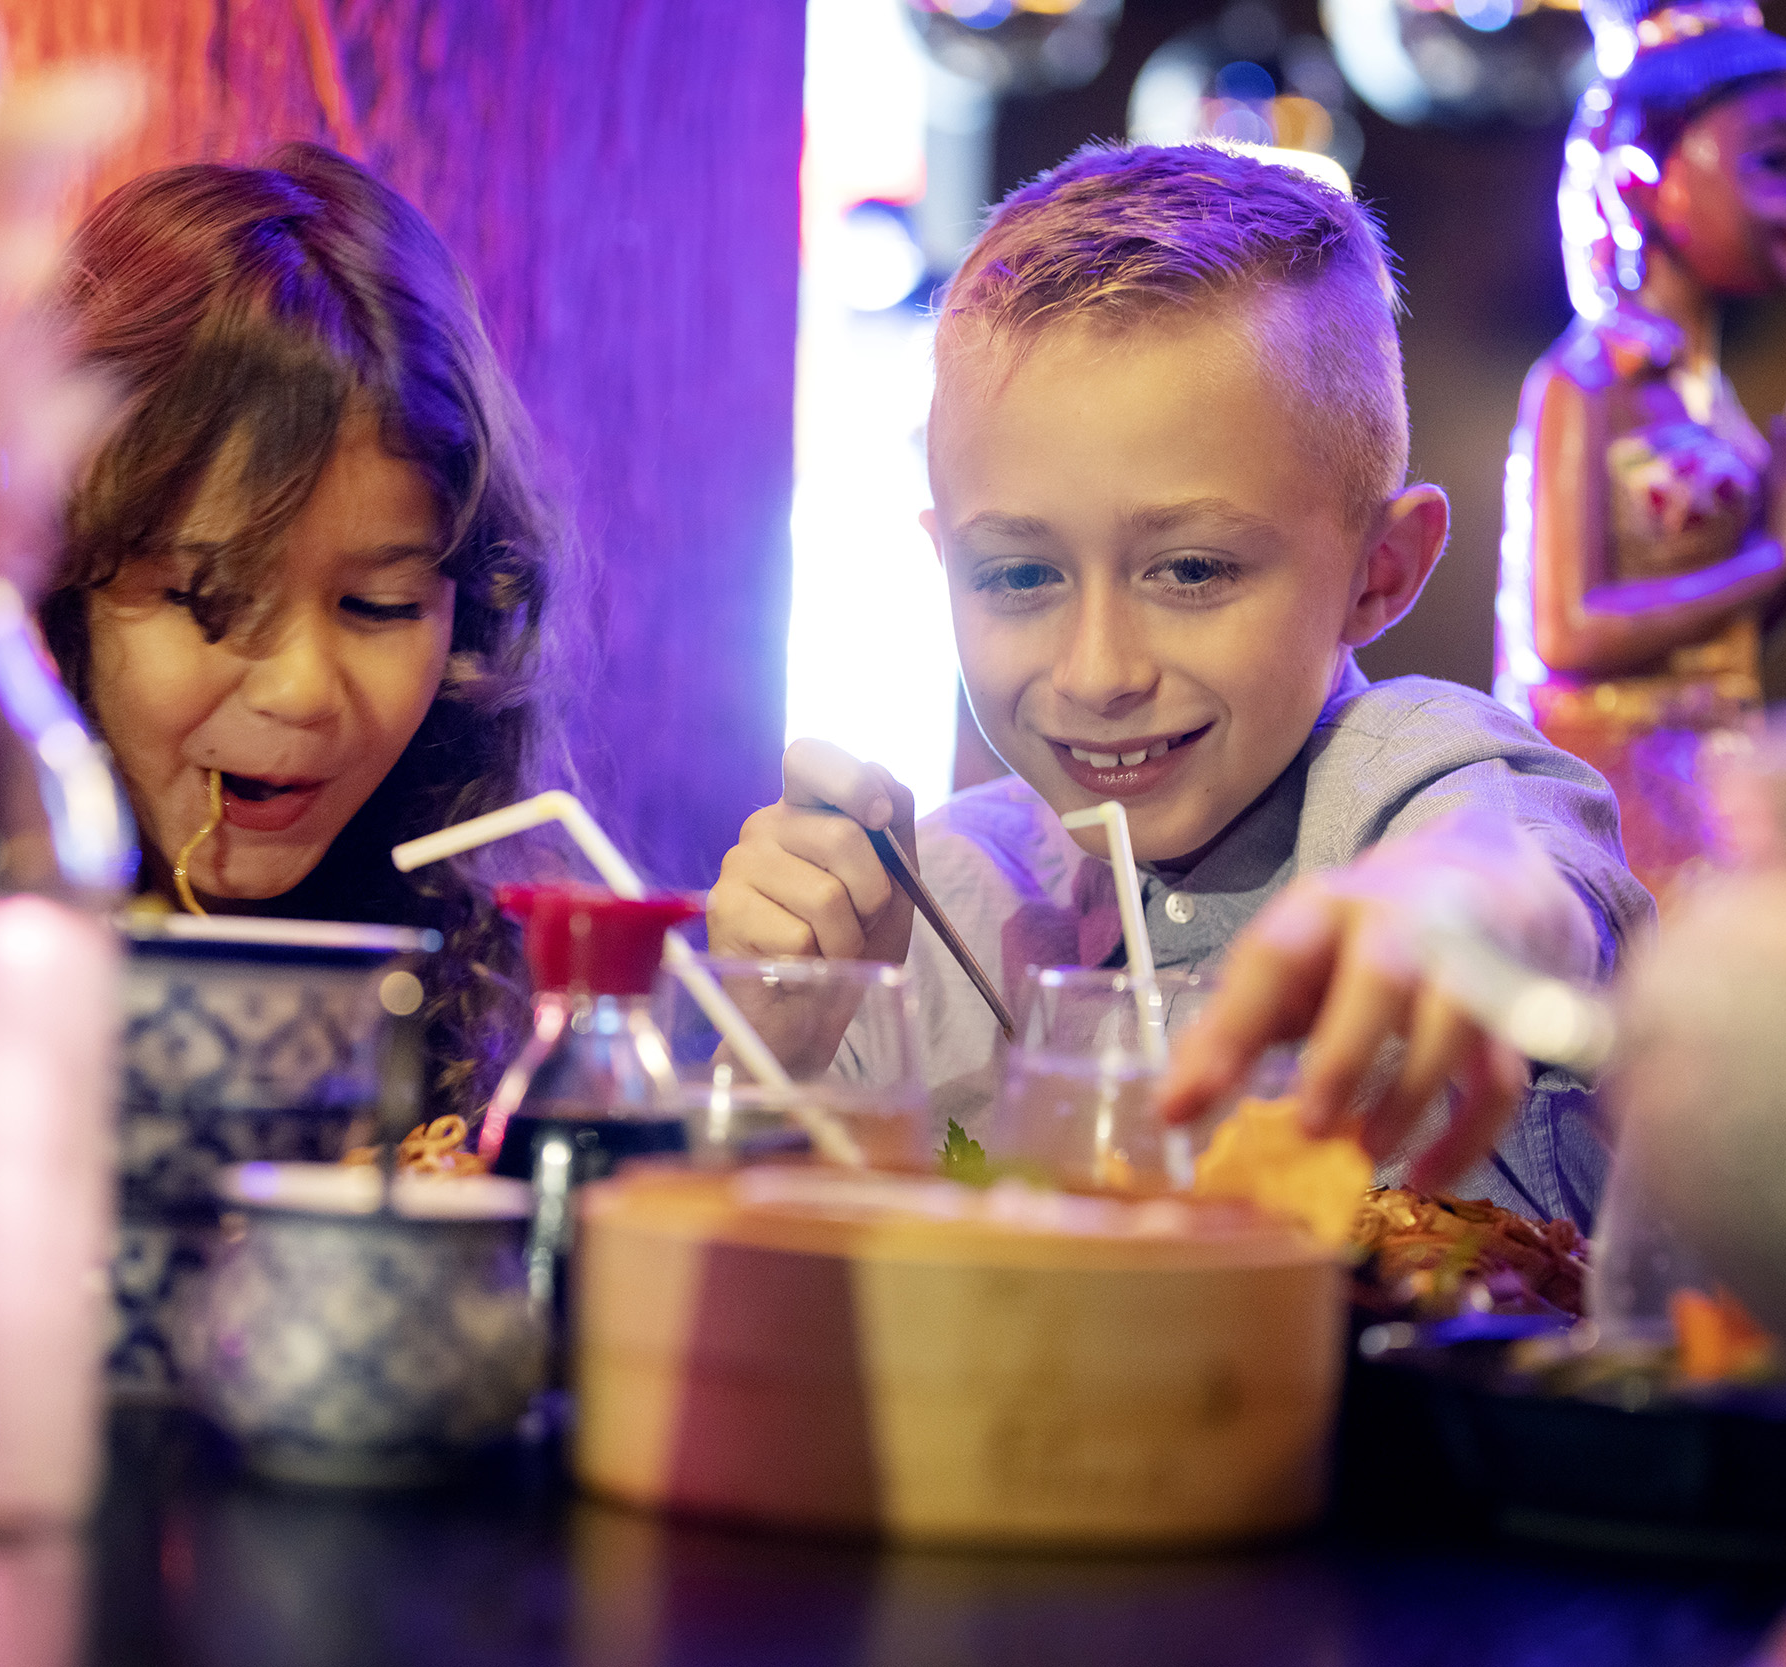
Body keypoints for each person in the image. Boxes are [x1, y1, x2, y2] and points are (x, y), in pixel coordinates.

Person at [708, 144, 1653, 1228]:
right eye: (1019, 574)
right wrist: (779, 1037)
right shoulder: (934, 907)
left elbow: (1515, 866)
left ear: (1377, 574)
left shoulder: (1416, 778)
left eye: (1192, 570)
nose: (1098, 672)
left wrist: (1453, 908)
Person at [40, 144, 583, 1113]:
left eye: (379, 606)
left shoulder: (504, 1010)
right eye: (212, 598)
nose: (300, 687)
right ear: (54, 585)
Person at [1493, 0, 1786, 905]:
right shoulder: (1586, 385)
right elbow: (1566, 634)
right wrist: (1782, 552)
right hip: (1607, 799)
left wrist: (1781, 567)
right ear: (1646, 181)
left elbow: (1716, 642)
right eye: (1776, 163)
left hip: (1712, 776)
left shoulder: (1714, 399)